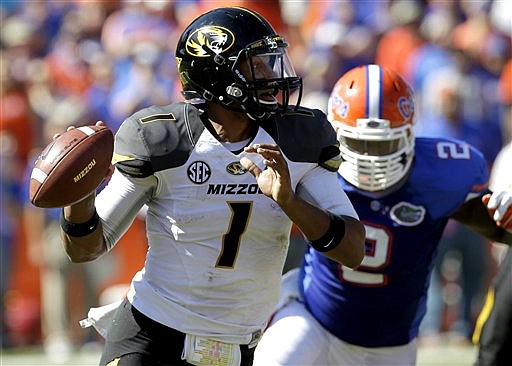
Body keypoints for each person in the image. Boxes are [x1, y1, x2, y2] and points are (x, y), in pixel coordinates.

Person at [55, 7, 365, 366]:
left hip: (240, 344)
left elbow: (353, 250)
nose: (273, 74)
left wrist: (289, 201)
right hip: (151, 335)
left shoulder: (299, 140)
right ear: (216, 76)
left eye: (272, 60)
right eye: (258, 64)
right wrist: (77, 194)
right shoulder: (163, 140)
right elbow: (85, 249)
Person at [253, 64, 512, 366]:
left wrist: (505, 215)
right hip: (313, 317)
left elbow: (499, 229)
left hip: (390, 343)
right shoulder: (312, 163)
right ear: (334, 134)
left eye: (383, 144)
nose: (371, 159)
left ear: (409, 135)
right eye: (359, 143)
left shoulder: (442, 173)